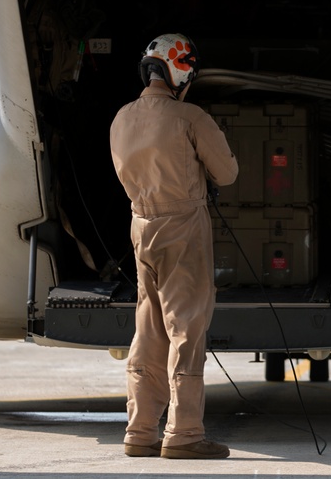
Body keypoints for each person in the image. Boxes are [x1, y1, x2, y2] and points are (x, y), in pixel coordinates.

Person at [110, 33, 238, 459]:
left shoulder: (121, 118)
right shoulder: (190, 117)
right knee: (186, 328)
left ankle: (140, 430)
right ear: (181, 69)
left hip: (141, 225)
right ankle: (184, 435)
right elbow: (227, 172)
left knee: (148, 329)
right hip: (183, 225)